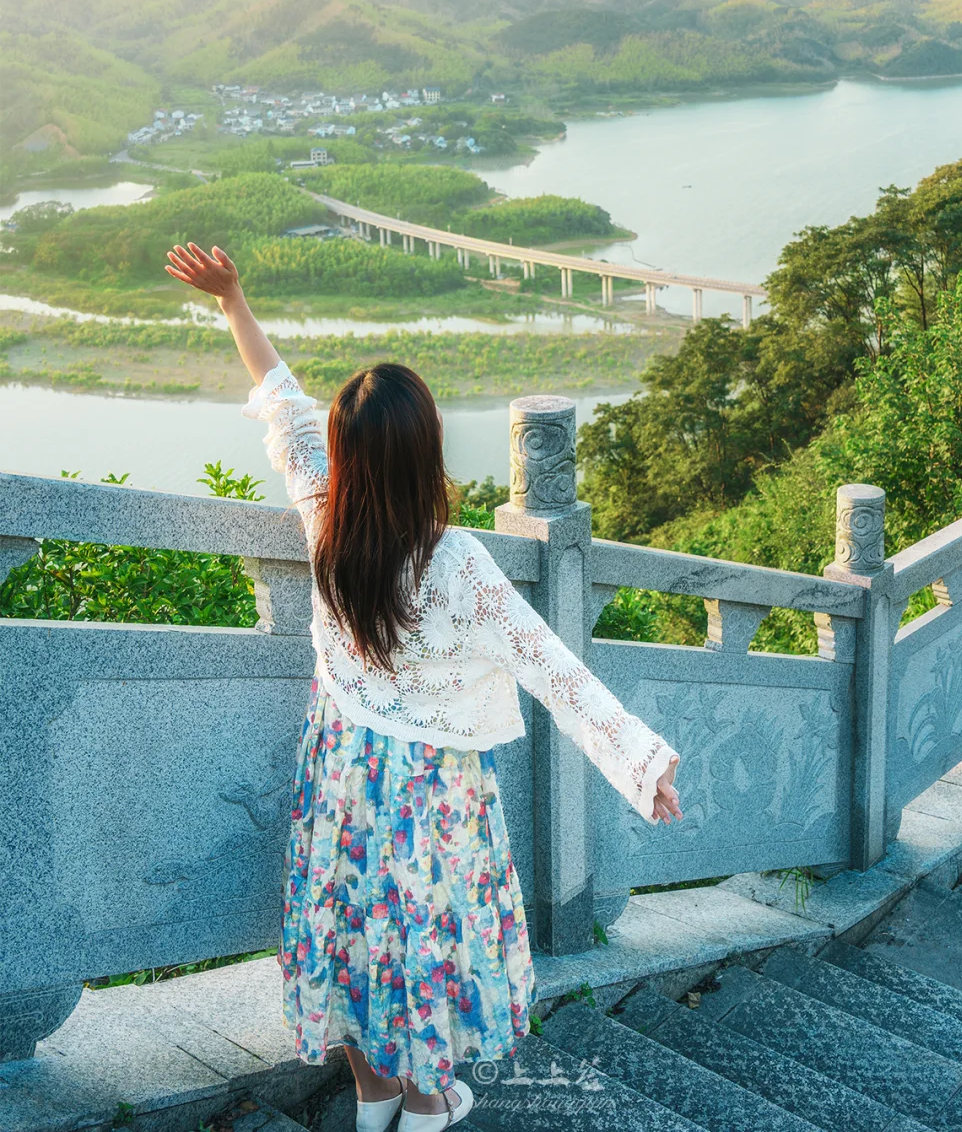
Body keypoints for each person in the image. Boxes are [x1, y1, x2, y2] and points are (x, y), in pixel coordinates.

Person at [166, 241, 681, 1132]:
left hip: (341, 771)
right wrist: (641, 762)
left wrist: (232, 300)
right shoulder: (463, 566)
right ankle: (427, 1102)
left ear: (346, 458)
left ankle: (372, 1099)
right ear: (425, 456)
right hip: (431, 791)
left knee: (354, 928)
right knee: (422, 940)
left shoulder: (325, 520)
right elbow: (558, 673)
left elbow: (281, 405)